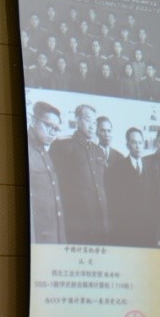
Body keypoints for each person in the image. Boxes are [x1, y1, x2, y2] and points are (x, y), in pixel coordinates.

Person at [50, 103, 109, 243]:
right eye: (88, 120)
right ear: (77, 120)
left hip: (100, 221)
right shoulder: (62, 146)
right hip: (77, 222)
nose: (92, 126)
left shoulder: (98, 151)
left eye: (94, 122)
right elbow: (55, 185)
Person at [28, 101, 66, 243]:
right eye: (49, 125)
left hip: (53, 238)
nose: (53, 132)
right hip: (37, 241)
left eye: (56, 129)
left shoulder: (45, 152)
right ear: (33, 121)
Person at [107, 126, 151, 247]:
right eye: (134, 143)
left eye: (140, 142)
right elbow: (114, 201)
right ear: (127, 145)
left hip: (147, 229)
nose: (138, 146)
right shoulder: (118, 168)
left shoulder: (151, 168)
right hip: (126, 229)